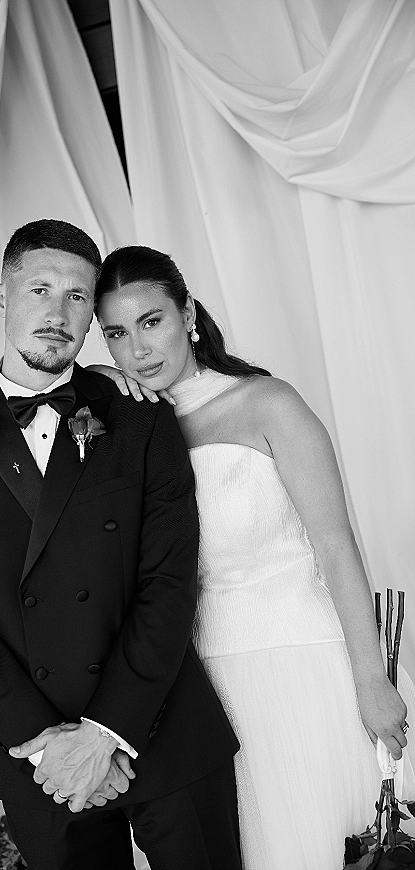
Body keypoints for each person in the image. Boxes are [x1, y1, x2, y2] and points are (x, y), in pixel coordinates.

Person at [0, 220, 242, 870]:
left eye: (78, 296)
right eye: (39, 289)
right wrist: (51, 743)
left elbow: (168, 586)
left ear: (93, 314)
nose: (57, 313)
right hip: (35, 750)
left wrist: (106, 733)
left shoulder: (141, 417)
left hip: (161, 720)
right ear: (2, 294)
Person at [92, 244, 415, 870]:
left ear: (188, 313)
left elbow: (335, 545)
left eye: (152, 321)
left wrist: (373, 681)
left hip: (302, 666)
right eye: (117, 334)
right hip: (203, 689)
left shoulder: (268, 404)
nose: (138, 349)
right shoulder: (135, 432)